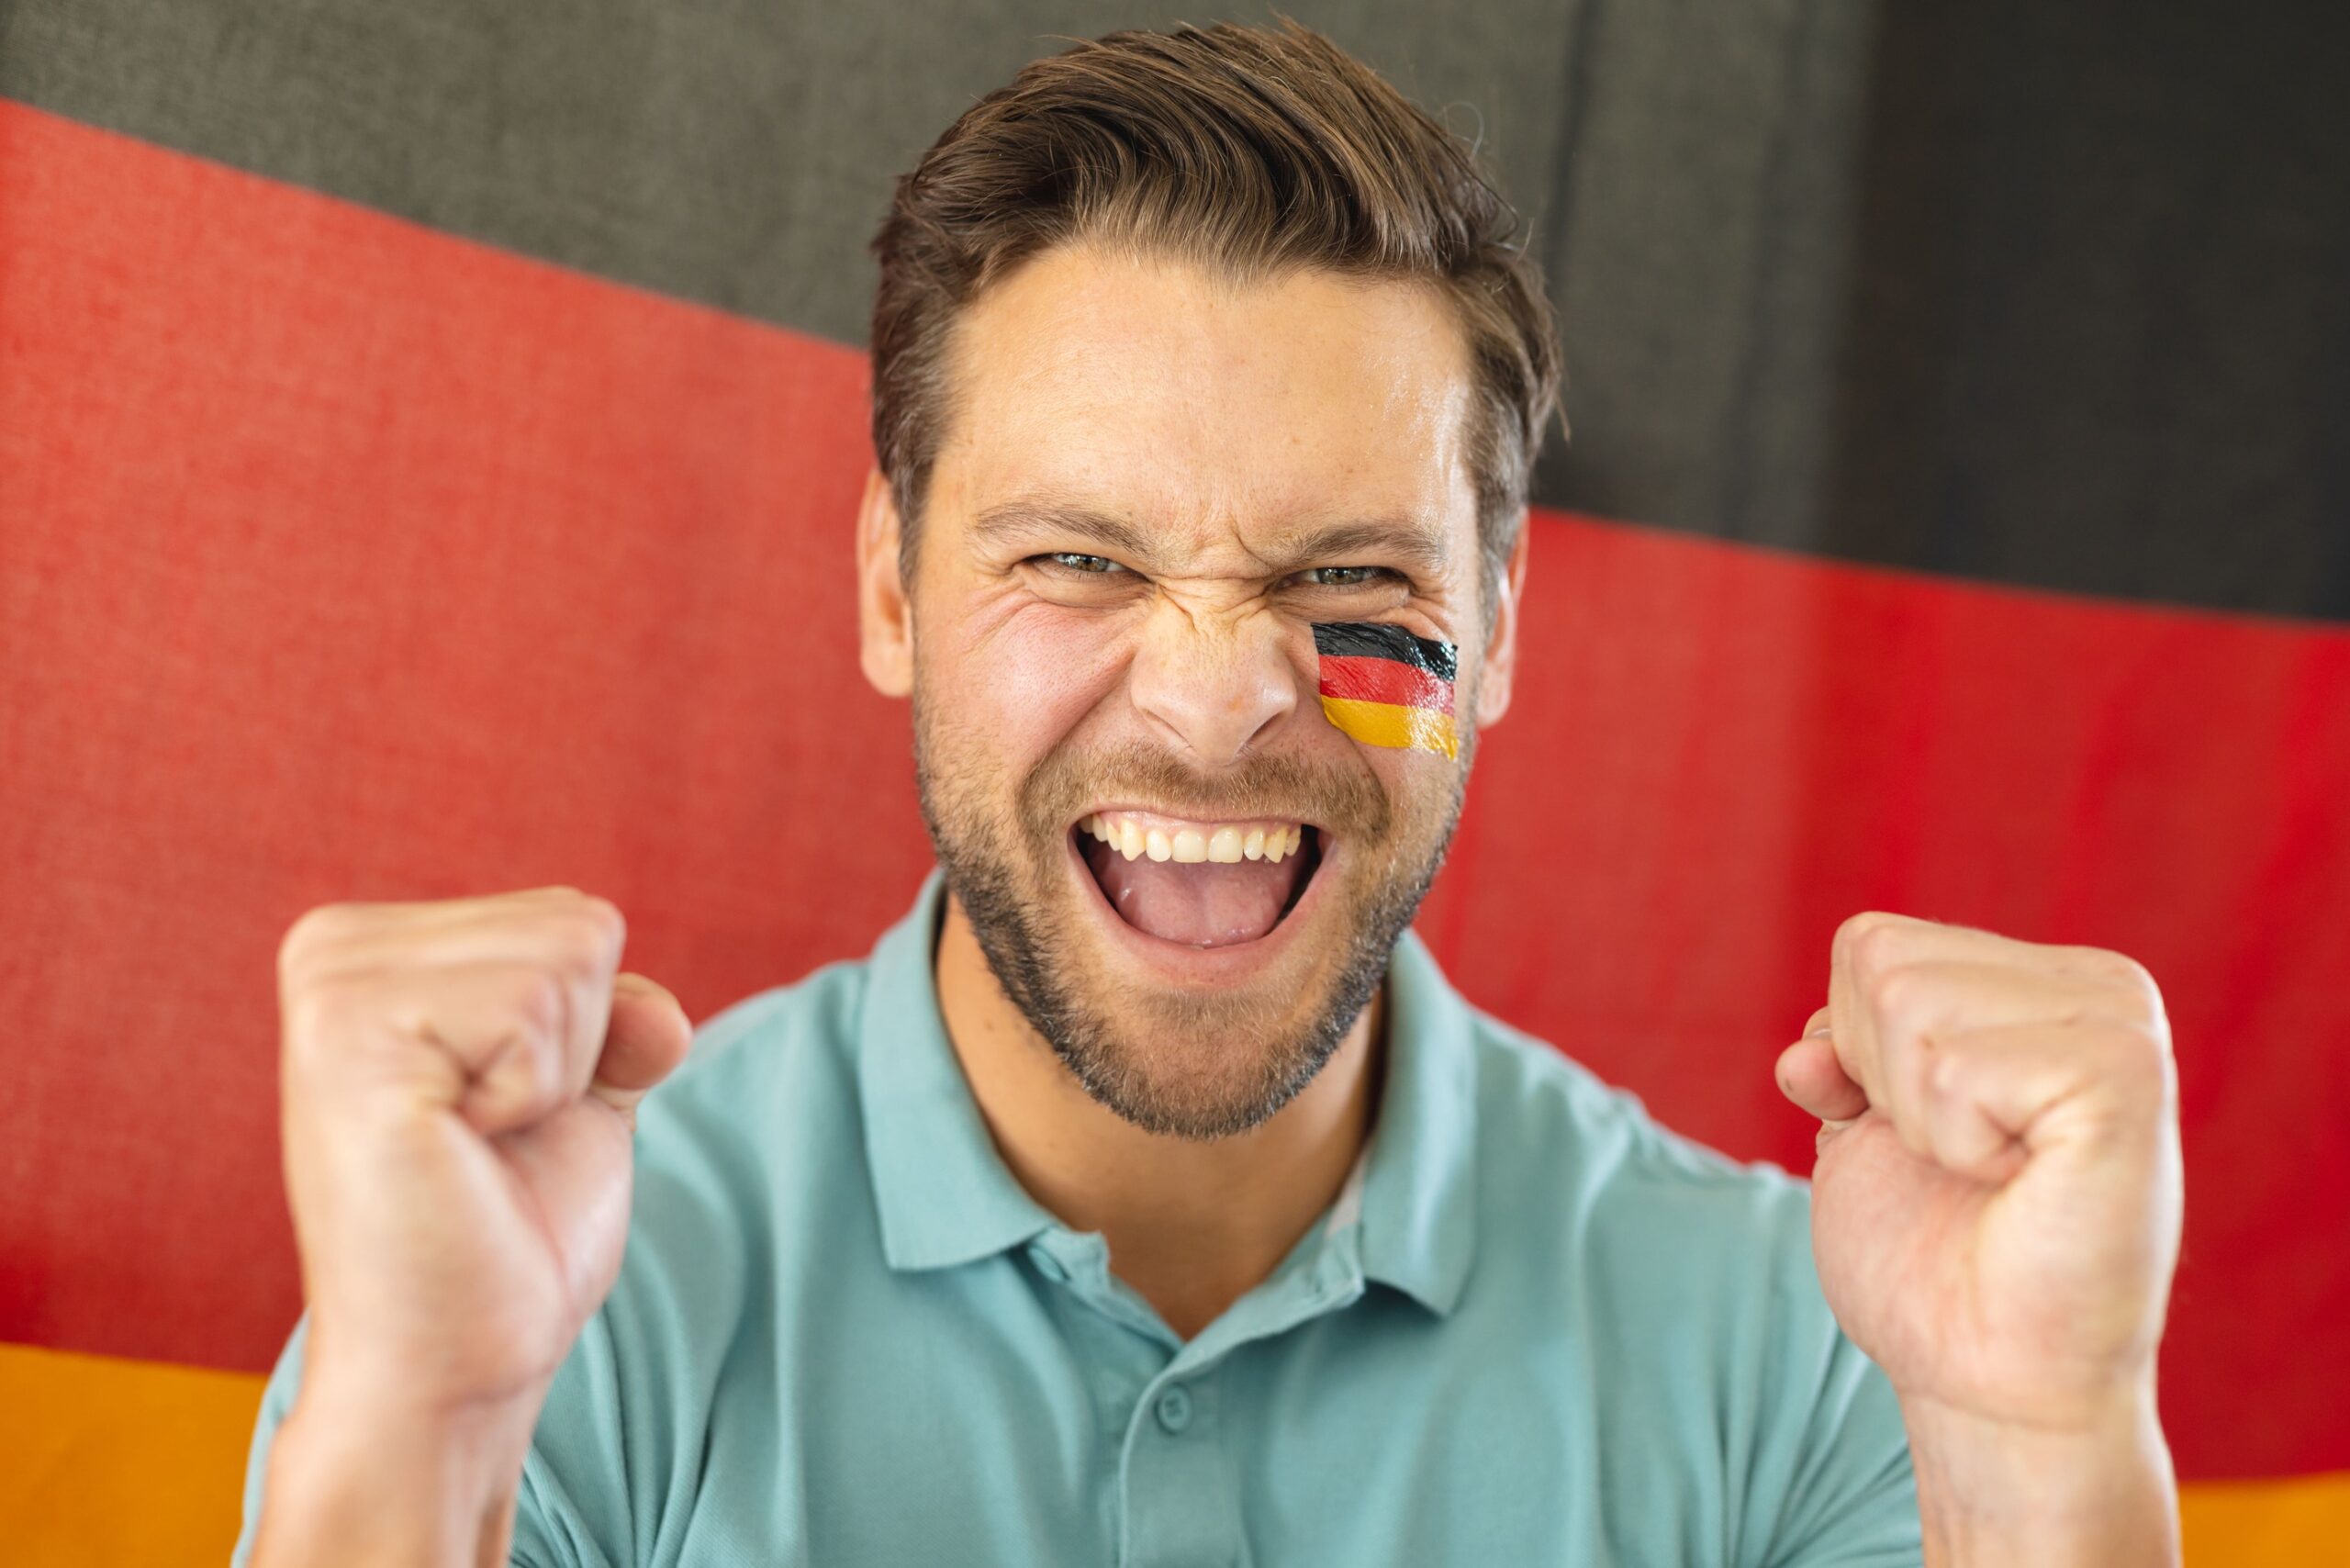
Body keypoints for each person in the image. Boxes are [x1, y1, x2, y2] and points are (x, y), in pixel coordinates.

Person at [232, 20, 2184, 1566]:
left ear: (1492, 636)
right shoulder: (537, 1294)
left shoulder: (1817, 1346)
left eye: (1352, 584)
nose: (1218, 702)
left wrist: (2035, 1459)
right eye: (1077, 558)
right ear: (893, 587)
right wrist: (413, 1442)